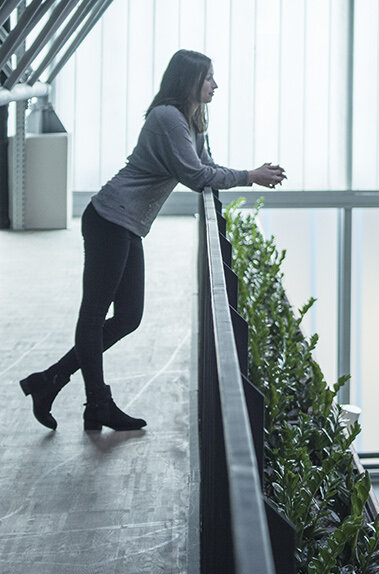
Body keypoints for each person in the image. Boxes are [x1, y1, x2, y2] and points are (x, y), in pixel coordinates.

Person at [18, 49, 286, 432]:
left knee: (128, 316)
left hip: (128, 224)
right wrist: (250, 175)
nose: (215, 85)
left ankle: (50, 380)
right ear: (189, 80)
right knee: (94, 315)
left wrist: (244, 172)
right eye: (208, 77)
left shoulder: (194, 121)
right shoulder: (167, 118)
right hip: (110, 219)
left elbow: (206, 166)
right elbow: (196, 175)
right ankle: (97, 403)